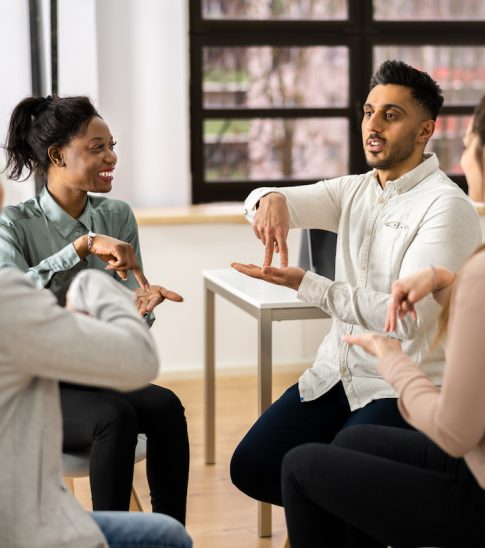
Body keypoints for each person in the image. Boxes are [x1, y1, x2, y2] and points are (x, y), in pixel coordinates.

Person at [229, 60, 482, 507]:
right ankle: (348, 517)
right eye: (368, 112)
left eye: (391, 115)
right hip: (336, 376)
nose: (373, 125)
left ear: (425, 131)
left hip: (399, 385)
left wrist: (309, 285)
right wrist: (269, 200)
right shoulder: (354, 191)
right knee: (252, 465)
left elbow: (402, 321)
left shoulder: (447, 206)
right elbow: (258, 202)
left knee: (338, 472)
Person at [280, 94, 485, 547]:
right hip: (469, 453)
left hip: (475, 486)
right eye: (368, 112)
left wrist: (394, 361)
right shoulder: (357, 190)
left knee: (301, 466)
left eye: (469, 141)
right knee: (350, 450)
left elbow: (455, 432)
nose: (465, 153)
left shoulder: (450, 215)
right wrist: (445, 279)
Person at [0, 95, 189, 524]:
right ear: (57, 155)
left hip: (92, 368)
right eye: (97, 147)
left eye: (112, 145)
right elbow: (10, 305)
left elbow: (124, 307)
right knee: (114, 418)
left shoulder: (117, 216)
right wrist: (79, 248)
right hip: (34, 381)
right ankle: (116, 536)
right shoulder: (14, 224)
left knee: (165, 408)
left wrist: (140, 309)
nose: (112, 157)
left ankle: (170, 534)